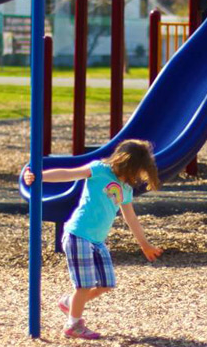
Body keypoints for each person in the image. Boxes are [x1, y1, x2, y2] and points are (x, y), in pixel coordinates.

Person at [23, 139, 165, 340]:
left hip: (97, 241)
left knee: (106, 283)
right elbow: (69, 173)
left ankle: (69, 303)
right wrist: (39, 177)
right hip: (78, 234)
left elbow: (130, 217)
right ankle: (73, 325)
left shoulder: (126, 189)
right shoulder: (99, 170)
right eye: (135, 171)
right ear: (125, 164)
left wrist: (145, 245)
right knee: (84, 285)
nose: (134, 177)